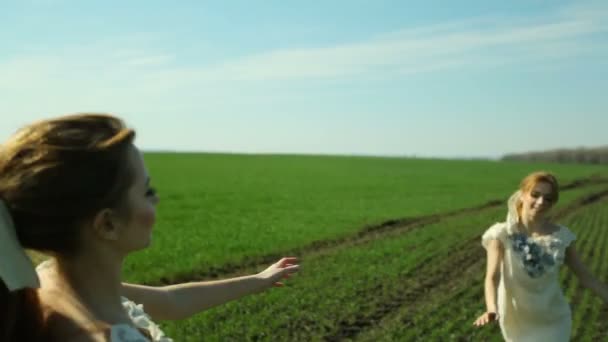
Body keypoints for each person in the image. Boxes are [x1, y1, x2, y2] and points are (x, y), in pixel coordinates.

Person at [0, 113, 299, 341]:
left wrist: (260, 279)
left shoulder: (51, 282)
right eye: (146, 191)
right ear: (107, 224)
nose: (156, 200)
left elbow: (171, 301)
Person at [473, 171, 608, 341]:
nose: (541, 202)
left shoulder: (562, 237)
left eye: (548, 198)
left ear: (553, 203)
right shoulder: (500, 234)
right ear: (522, 195)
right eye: (535, 195)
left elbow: (586, 278)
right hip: (516, 322)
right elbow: (492, 277)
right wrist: (491, 308)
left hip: (554, 321)